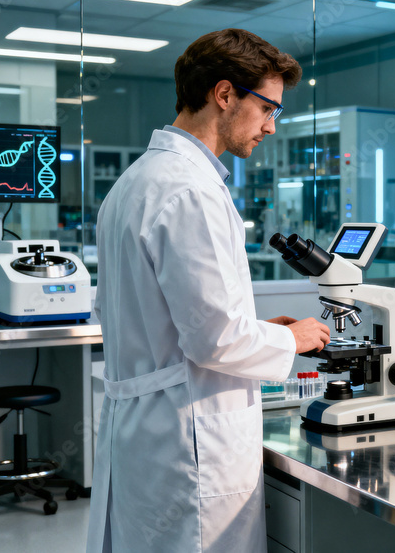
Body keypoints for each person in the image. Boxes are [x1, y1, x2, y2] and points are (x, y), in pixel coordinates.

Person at [87, 29, 331, 552]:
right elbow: (214, 340)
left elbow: (162, 317)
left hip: (145, 432)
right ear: (224, 95)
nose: (270, 126)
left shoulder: (134, 182)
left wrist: (262, 331)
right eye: (268, 108)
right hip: (189, 438)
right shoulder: (192, 191)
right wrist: (294, 340)